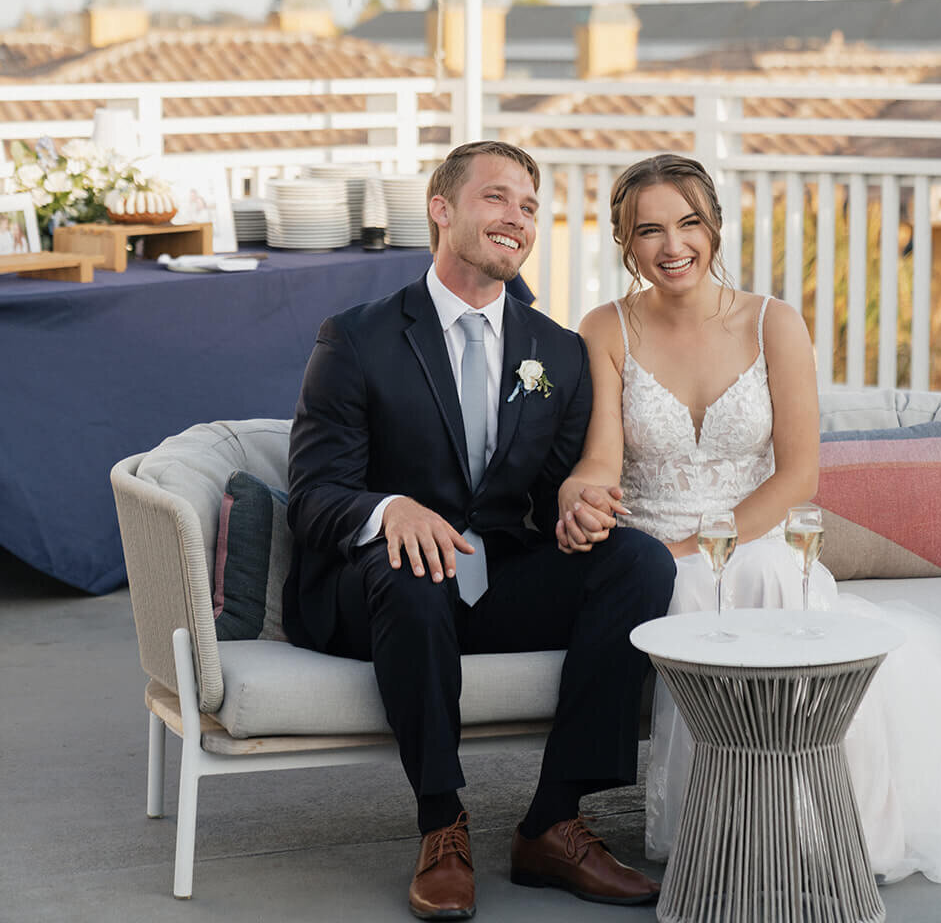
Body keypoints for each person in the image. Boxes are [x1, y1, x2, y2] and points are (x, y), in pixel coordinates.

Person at [558, 152, 941, 884]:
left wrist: (703, 542)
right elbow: (602, 459)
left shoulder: (773, 323)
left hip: (752, 530)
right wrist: (585, 495)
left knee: (764, 575)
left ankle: (807, 819)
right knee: (683, 590)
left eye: (689, 223)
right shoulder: (605, 327)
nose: (672, 247)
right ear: (623, 241)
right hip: (648, 542)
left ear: (714, 229)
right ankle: (725, 825)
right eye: (649, 231)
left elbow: (797, 472)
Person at [283, 141, 675, 920]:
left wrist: (577, 508)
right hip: (379, 590)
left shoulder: (555, 351)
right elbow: (313, 495)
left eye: (528, 207)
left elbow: (560, 483)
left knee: (637, 561)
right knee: (413, 567)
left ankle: (554, 822)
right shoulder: (356, 338)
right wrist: (387, 510)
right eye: (496, 198)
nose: (516, 219)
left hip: (494, 579)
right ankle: (441, 826)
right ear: (442, 209)